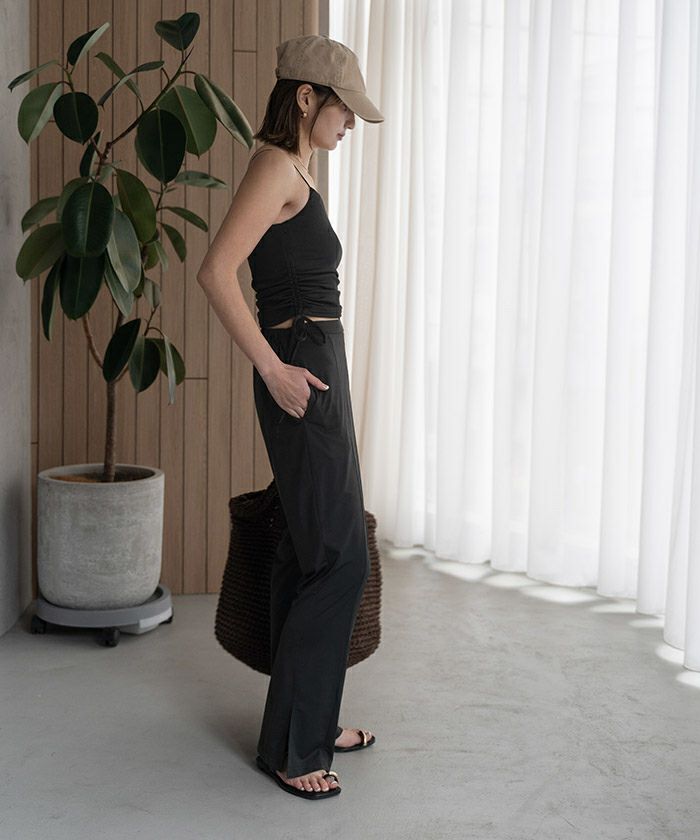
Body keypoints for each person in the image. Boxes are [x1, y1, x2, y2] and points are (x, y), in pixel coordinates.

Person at [197, 35, 384, 800]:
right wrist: (273, 370)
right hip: (299, 366)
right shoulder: (275, 165)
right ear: (306, 98)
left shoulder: (299, 170)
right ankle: (295, 747)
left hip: (318, 360)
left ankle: (308, 718)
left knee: (314, 549)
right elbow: (216, 271)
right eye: (345, 109)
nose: (351, 123)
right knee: (338, 557)